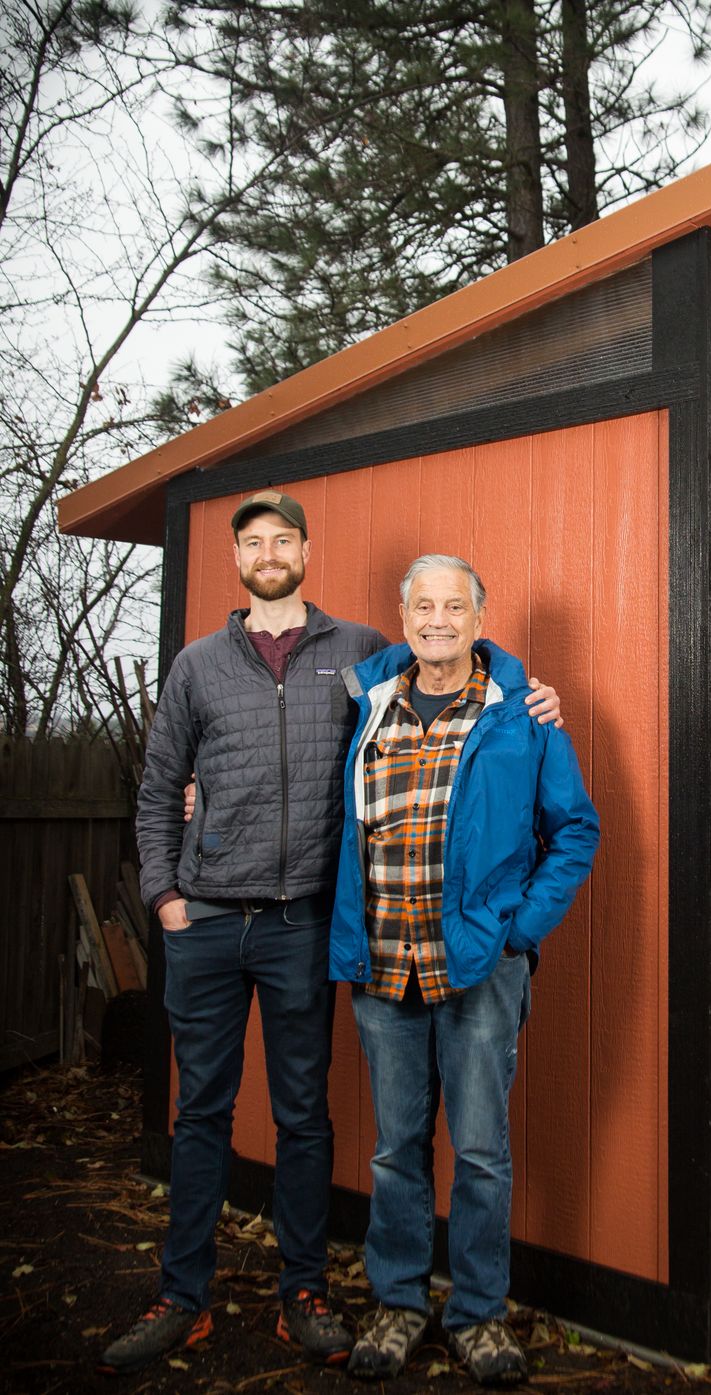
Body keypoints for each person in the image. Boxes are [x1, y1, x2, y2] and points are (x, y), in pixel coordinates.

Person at [101, 495, 560, 1376]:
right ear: (237, 558)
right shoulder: (199, 664)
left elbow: (465, 674)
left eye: (283, 540)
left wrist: (529, 692)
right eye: (253, 543)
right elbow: (160, 784)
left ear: (306, 550)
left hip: (303, 926)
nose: (268, 553)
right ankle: (180, 1295)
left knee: (304, 1117)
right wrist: (164, 896)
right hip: (206, 922)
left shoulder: (356, 653)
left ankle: (303, 1292)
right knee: (199, 1111)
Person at [329, 554, 599, 1388]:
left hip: (480, 968)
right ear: (403, 615)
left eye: (454, 605)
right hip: (384, 967)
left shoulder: (526, 715)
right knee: (395, 1151)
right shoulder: (366, 704)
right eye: (422, 605)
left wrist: (518, 930)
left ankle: (479, 1313)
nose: (437, 619)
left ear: (481, 620)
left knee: (481, 1151)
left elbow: (576, 829)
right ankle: (400, 1303)